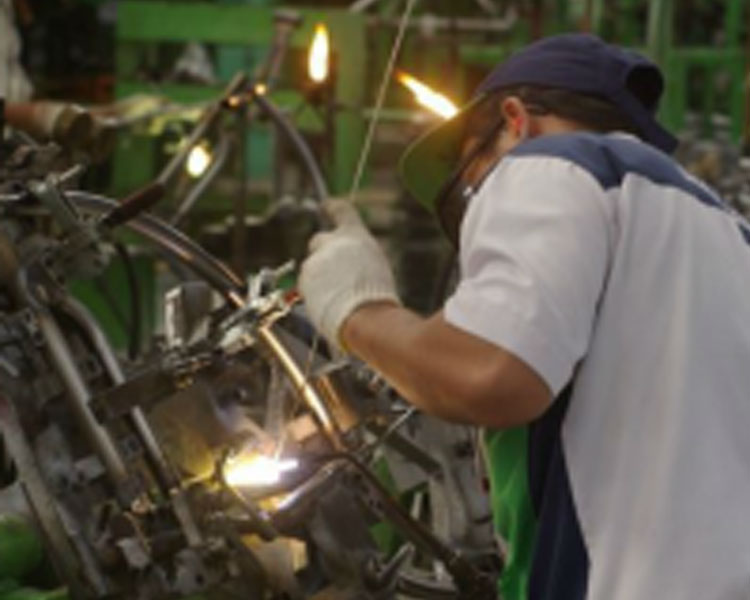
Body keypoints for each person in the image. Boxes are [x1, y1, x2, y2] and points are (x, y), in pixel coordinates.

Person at [299, 33, 750, 599]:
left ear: (515, 120)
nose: (473, 198)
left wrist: (354, 308)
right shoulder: (727, 228)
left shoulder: (554, 161)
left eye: (471, 171)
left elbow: (488, 375)